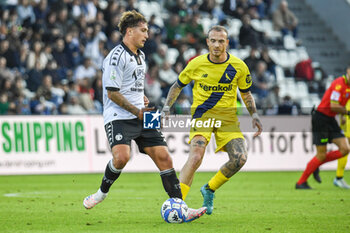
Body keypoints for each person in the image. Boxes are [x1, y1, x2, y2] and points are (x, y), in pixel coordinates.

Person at [83, 10, 206, 222]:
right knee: (122, 157)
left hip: (142, 113)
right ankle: (101, 193)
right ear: (129, 31)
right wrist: (138, 110)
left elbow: (133, 85)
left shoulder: (141, 56)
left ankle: (181, 208)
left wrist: (143, 98)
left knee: (165, 158)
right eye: (143, 30)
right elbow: (112, 92)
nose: (147, 35)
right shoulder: (115, 57)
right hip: (119, 116)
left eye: (147, 30)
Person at [162, 25, 263, 215]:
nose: (217, 45)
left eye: (221, 41)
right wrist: (167, 107)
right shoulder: (196, 64)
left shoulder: (239, 66)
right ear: (207, 42)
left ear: (227, 43)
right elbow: (177, 86)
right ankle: (177, 204)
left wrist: (254, 115)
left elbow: (246, 94)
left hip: (228, 118)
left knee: (240, 159)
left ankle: (209, 189)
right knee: (196, 156)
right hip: (203, 116)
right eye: (213, 41)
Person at [296, 65, 350, 189]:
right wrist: (347, 112)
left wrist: (342, 115)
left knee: (345, 149)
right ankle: (300, 183)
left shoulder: (348, 87)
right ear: (347, 72)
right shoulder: (339, 84)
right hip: (321, 118)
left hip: (331, 120)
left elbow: (343, 102)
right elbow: (333, 106)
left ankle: (316, 165)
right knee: (321, 154)